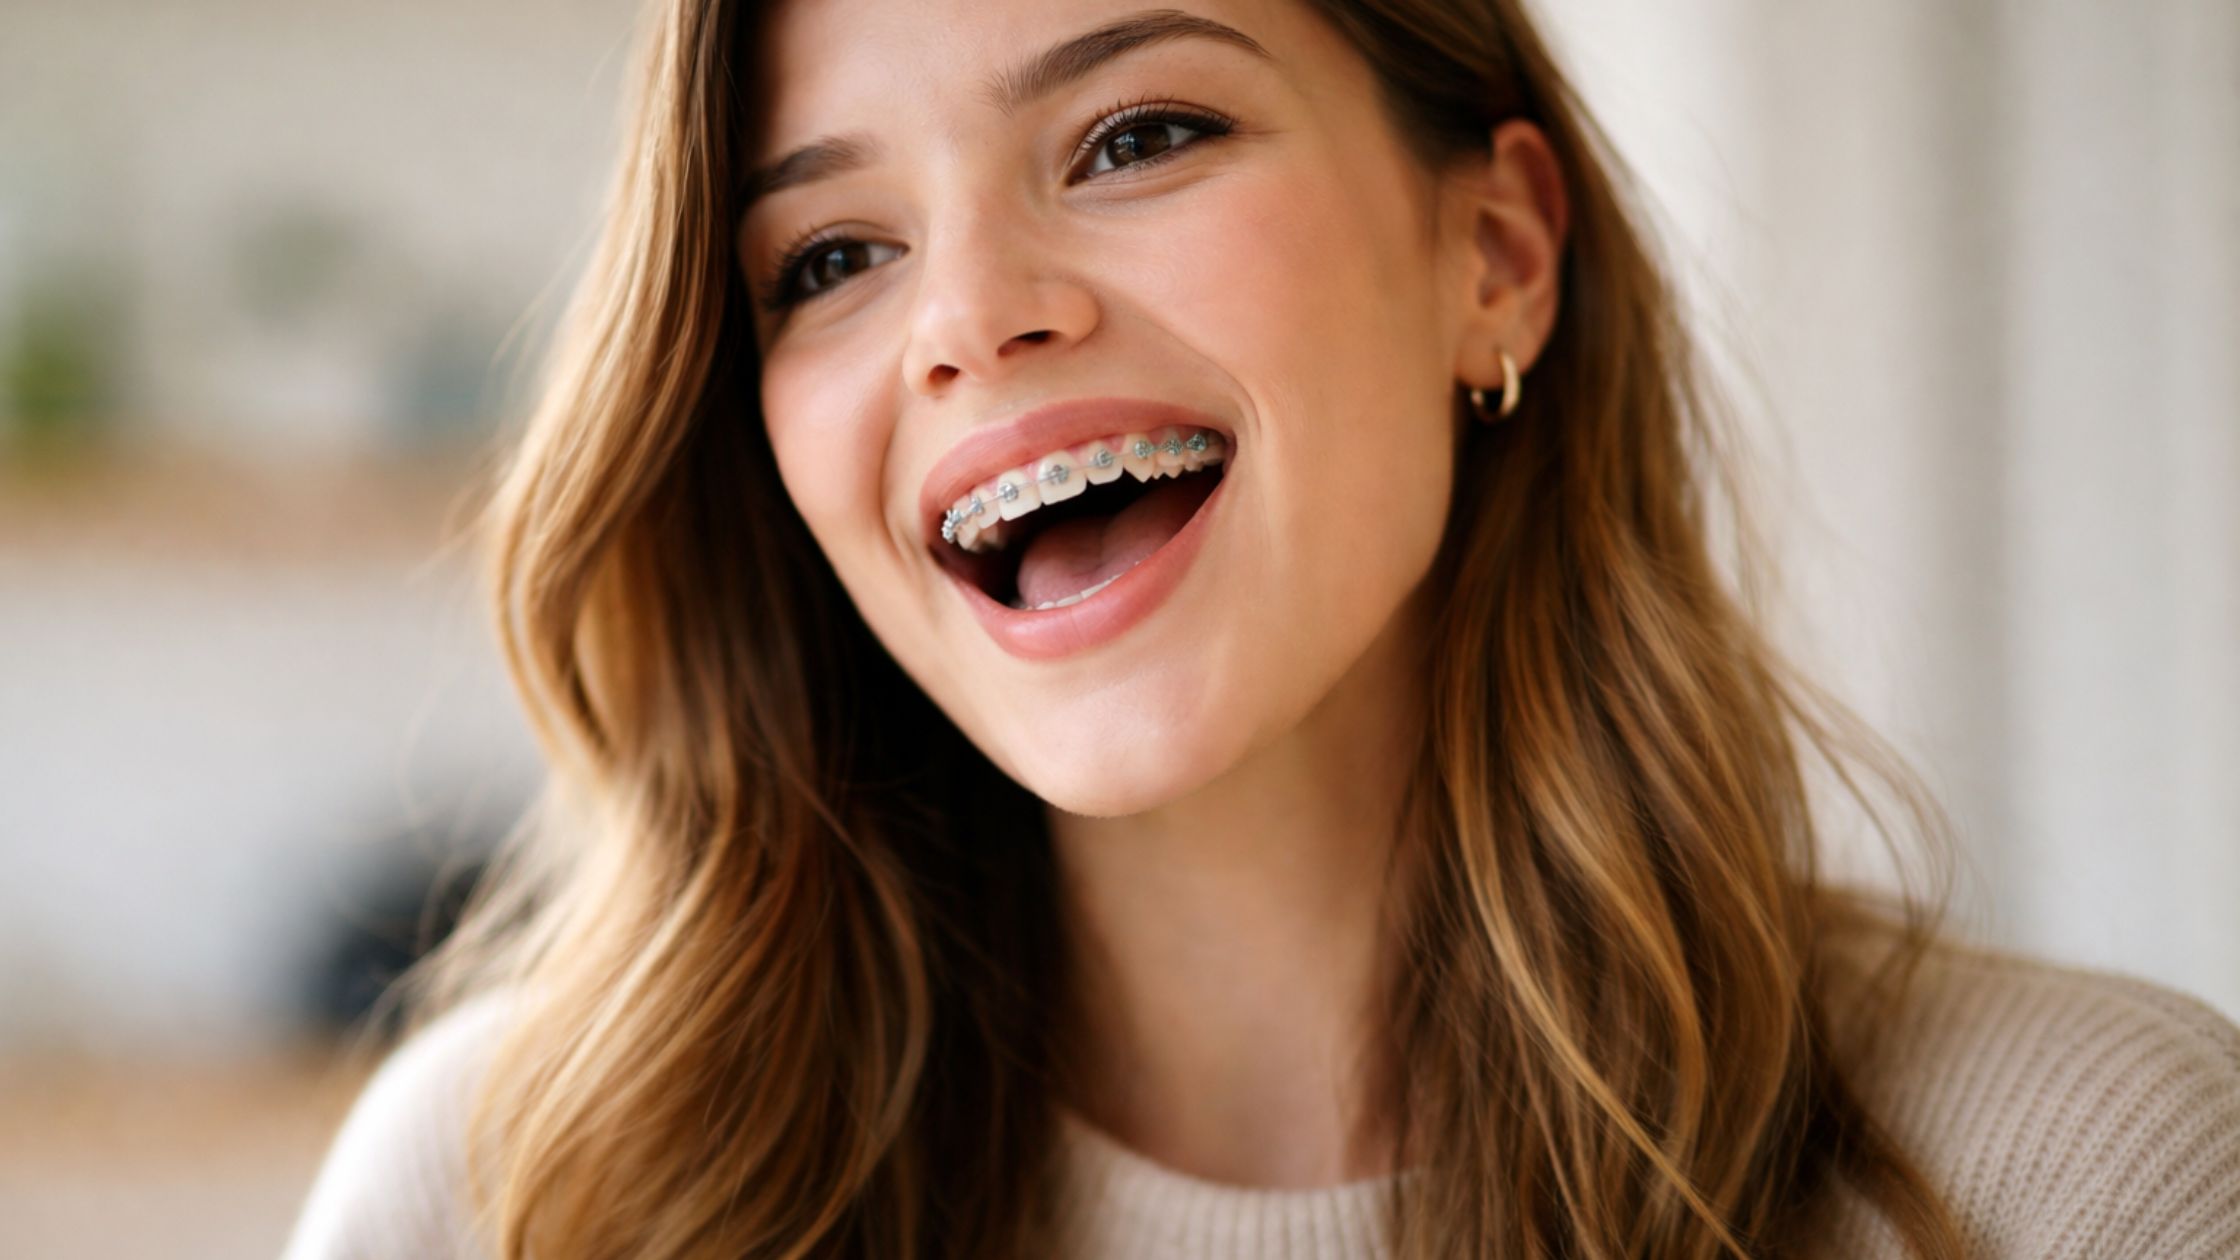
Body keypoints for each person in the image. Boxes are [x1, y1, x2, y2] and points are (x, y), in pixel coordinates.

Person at [280, 0, 2240, 1256]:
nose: (971, 313)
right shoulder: (506, 1201)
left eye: (1137, 136)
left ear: (1491, 256)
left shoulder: (2083, 1182)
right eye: (834, 257)